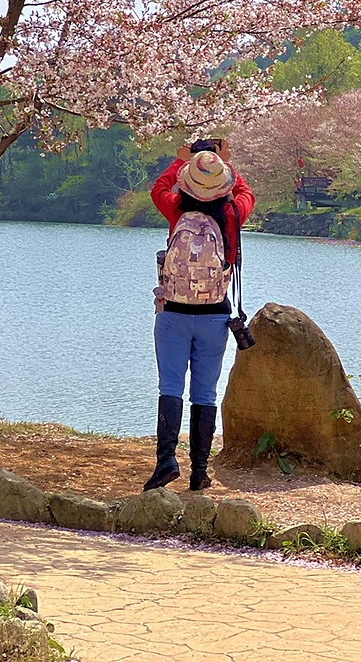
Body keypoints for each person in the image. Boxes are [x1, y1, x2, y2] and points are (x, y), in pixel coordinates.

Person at [145, 139, 255, 491]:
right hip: (214, 317)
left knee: (170, 387)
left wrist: (186, 160)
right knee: (205, 393)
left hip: (173, 313)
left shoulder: (176, 207)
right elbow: (245, 190)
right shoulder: (233, 213)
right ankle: (199, 472)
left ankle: (165, 462)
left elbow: (159, 187)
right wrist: (220, 163)